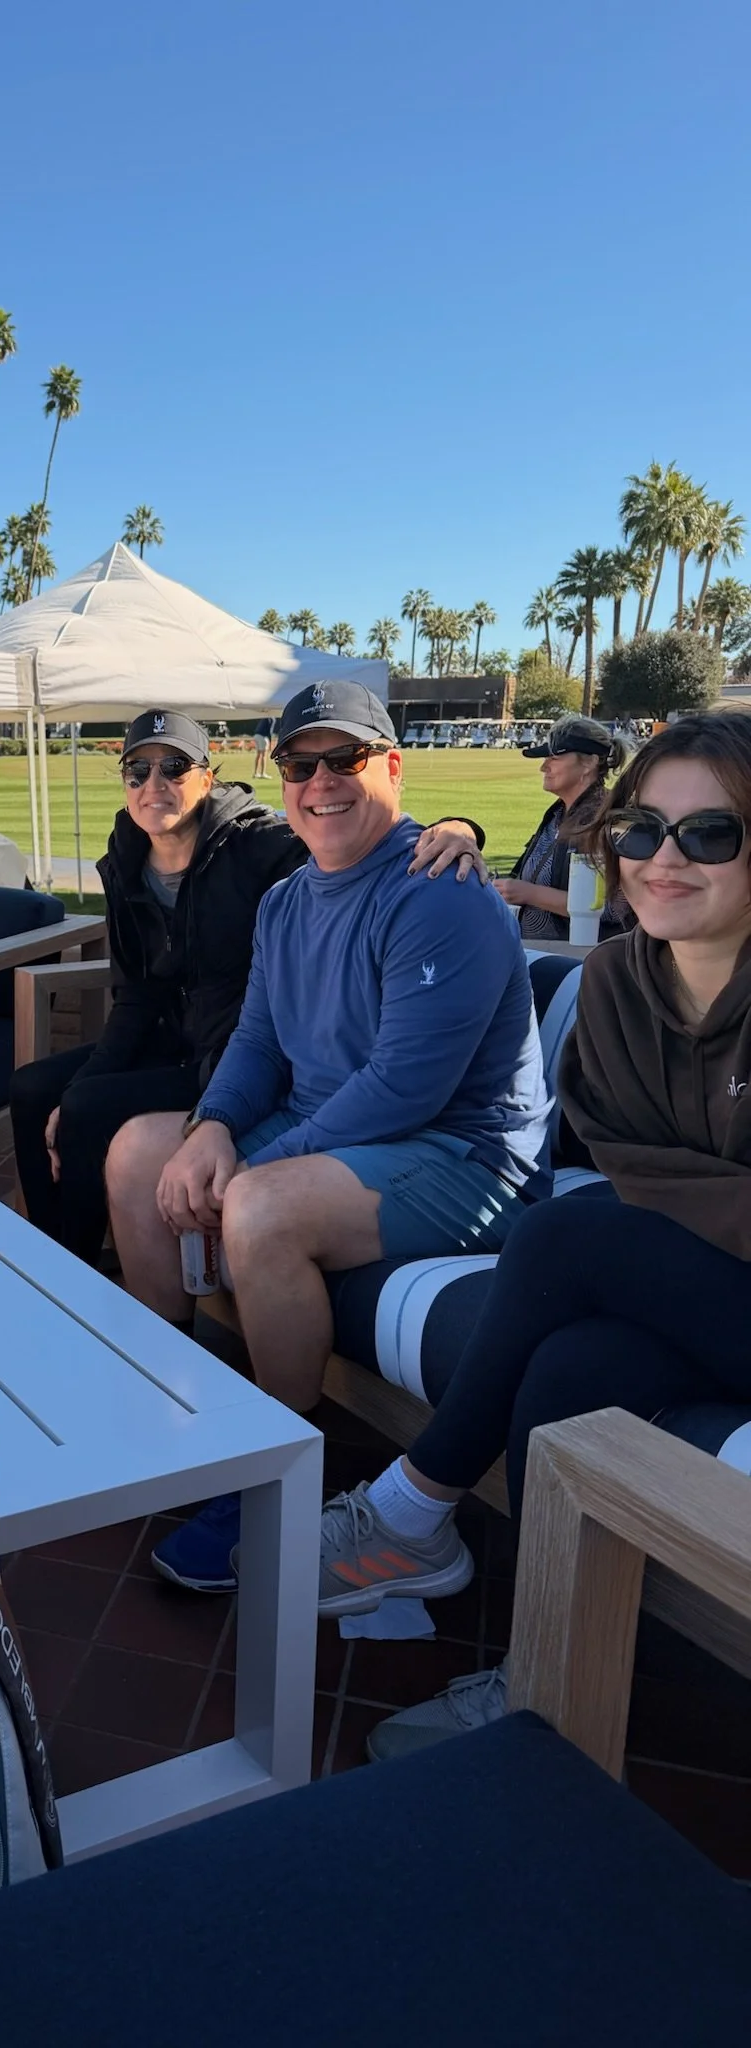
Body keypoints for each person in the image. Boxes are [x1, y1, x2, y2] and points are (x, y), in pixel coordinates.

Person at [318, 709, 751, 1758]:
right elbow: (616, 1147)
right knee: (570, 1358)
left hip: (700, 1282)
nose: (663, 858)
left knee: (564, 1236)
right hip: (694, 1287)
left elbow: (630, 1186)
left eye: (711, 834)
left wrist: (665, 1203)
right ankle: (543, 1681)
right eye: (644, 830)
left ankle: (413, 1505)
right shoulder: (615, 984)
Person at [105, 680, 550, 1591]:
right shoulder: (288, 900)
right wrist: (214, 1126)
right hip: (338, 1132)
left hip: (463, 1157)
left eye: (343, 759)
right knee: (138, 1152)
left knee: (259, 1208)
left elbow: (404, 1090)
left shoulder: (439, 891)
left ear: (390, 764)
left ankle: (274, 1484)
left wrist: (246, 1168)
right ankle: (178, 1408)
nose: (319, 783)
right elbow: (259, 1040)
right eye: (300, 765)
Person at [10, 708, 486, 1264]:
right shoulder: (124, 860)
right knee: (35, 1091)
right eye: (138, 771)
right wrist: (81, 1082)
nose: (154, 785)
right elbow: (136, 994)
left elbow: (342, 824)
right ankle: (46, 1257)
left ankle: (77, 1267)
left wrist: (459, 828)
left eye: (175, 767)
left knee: (88, 1106)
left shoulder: (258, 843)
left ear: (206, 777)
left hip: (234, 1051)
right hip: (172, 1039)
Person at [494, 713, 629, 941]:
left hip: (580, 961)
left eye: (554, 758)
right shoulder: (558, 814)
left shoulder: (606, 820)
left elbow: (615, 908)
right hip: (541, 953)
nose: (544, 767)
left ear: (589, 762)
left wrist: (529, 894)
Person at [251, 714, 275, 779]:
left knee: (258, 754)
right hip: (263, 737)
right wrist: (270, 743)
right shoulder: (272, 719)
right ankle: (263, 773)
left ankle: (255, 773)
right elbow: (270, 732)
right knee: (264, 755)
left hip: (256, 736)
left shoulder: (264, 717)